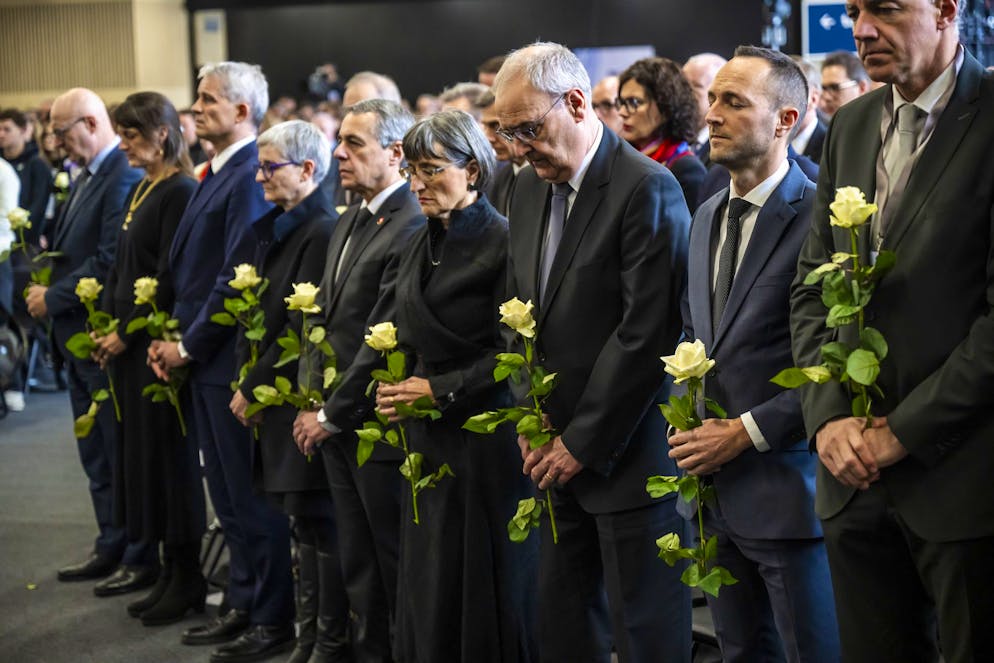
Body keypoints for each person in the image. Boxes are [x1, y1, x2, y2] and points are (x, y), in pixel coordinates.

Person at [790, 2, 994, 661]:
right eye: (852, 9)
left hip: (963, 478)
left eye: (884, 7)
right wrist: (826, 419)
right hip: (851, 478)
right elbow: (813, 288)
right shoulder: (848, 124)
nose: (861, 29)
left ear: (945, 9)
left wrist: (902, 432)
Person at [493, 41, 692, 663]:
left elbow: (645, 336)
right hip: (550, 454)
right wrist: (531, 416)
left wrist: (579, 442)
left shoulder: (646, 188)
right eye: (507, 135)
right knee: (564, 627)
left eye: (527, 130)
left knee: (645, 635)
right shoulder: (526, 189)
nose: (518, 149)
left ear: (576, 103)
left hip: (625, 457)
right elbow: (515, 311)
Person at [673, 46, 839, 663]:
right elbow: (695, 339)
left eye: (734, 102)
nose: (711, 114)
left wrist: (744, 432)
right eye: (711, 99)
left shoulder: (823, 210)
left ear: (787, 120)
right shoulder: (708, 212)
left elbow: (831, 363)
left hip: (792, 495)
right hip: (713, 497)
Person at [374, 110, 537, 662]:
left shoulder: (503, 241)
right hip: (429, 437)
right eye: (410, 169)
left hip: (483, 442)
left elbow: (513, 356)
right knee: (431, 578)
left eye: (430, 169)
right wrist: (399, 386)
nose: (416, 183)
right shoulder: (421, 240)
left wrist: (438, 388)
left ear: (472, 170)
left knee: (482, 583)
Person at [148, 61, 295, 663]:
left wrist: (189, 344)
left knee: (247, 496)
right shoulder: (219, 170)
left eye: (209, 99)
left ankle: (269, 616)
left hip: (227, 361)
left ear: (242, 111)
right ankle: (240, 600)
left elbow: (239, 277)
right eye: (200, 98)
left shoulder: (248, 173)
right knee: (227, 496)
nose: (198, 106)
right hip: (208, 360)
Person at [292, 98, 423, 663]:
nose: (338, 154)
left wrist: (328, 413)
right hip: (339, 418)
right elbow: (323, 319)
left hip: (375, 424)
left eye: (354, 144)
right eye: (339, 141)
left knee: (392, 560)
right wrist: (315, 396)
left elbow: (383, 336)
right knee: (358, 557)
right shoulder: (350, 216)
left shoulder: (411, 223)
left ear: (396, 153)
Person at [226, 120, 346, 663]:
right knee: (302, 521)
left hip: (298, 395)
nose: (259, 177)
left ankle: (326, 640)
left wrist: (256, 385)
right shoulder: (286, 224)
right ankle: (309, 636)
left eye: (270, 166)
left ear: (307, 169)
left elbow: (304, 331)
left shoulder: (319, 228)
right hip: (279, 394)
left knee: (318, 519)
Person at [91, 91, 207, 618]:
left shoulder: (179, 189)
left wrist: (128, 334)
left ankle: (187, 577)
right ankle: (165, 569)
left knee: (169, 463)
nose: (124, 146)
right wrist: (110, 329)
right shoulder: (144, 186)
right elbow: (123, 267)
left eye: (132, 136)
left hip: (154, 350)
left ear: (163, 133)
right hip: (132, 348)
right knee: (145, 464)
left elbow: (165, 275)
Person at [28, 88, 149, 584]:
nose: (55, 141)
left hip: (102, 337)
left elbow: (109, 259)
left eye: (61, 130)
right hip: (76, 338)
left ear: (92, 123)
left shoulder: (122, 175)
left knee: (117, 451)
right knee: (95, 452)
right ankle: (112, 542)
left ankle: (138, 551)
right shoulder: (84, 175)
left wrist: (51, 298)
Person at [617, 57, 707, 212]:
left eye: (634, 102)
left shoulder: (687, 169)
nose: (622, 112)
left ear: (666, 106)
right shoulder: (620, 160)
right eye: (622, 102)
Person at [476, 90, 526, 217]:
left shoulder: (550, 178)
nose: (488, 138)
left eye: (496, 126)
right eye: (485, 127)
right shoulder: (499, 178)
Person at [683, 53, 727, 165]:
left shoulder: (727, 152)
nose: (684, 93)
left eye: (696, 86)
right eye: (682, 85)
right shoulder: (673, 141)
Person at [817, 50, 870, 118]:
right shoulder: (827, 126)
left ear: (862, 88)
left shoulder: (879, 125)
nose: (827, 97)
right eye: (824, 88)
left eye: (834, 88)